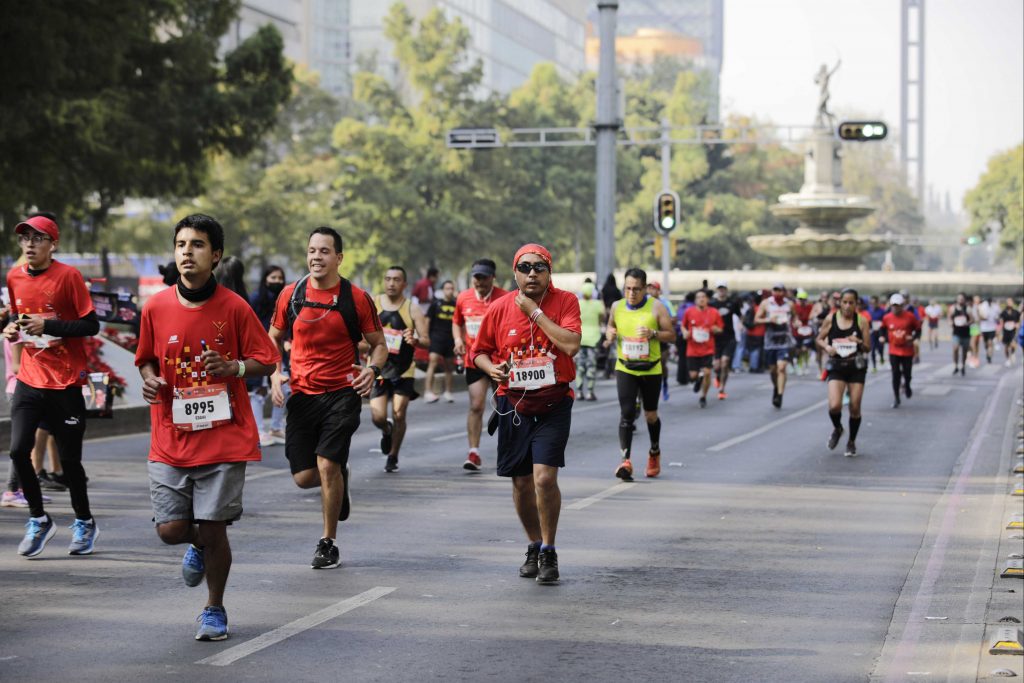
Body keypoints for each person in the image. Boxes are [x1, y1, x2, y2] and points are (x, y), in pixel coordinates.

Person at [136, 213, 279, 641]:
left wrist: (234, 366)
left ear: (215, 256)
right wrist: (148, 379)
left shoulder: (235, 307)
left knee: (215, 526)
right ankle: (198, 543)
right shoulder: (156, 306)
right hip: (170, 435)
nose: (187, 252)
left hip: (223, 436)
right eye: (181, 244)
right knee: (171, 530)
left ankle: (214, 609)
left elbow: (267, 357)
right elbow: (145, 356)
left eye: (197, 245)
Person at [269, 227, 387, 570]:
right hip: (303, 396)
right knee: (305, 478)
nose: (316, 257)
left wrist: (372, 370)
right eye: (311, 251)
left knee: (326, 464)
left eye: (324, 251)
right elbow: (271, 339)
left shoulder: (356, 298)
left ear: (338, 258)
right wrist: (277, 374)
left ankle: (328, 542)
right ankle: (340, 477)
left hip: (342, 393)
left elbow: (378, 344)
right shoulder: (291, 295)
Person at [472, 244, 580, 585]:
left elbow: (571, 344)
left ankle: (549, 549)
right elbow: (479, 353)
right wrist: (493, 369)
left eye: (539, 267)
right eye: (524, 267)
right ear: (515, 272)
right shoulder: (500, 308)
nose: (532, 273)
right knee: (520, 483)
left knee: (544, 479)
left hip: (553, 404)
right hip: (513, 406)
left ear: (550, 272)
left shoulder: (565, 302)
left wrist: (534, 312)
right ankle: (534, 543)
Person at [4, 214, 100, 558]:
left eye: (38, 238)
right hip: (30, 379)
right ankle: (38, 518)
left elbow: (91, 325)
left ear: (52, 244)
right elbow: (17, 318)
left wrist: (50, 325)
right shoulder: (14, 276)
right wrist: (13, 329)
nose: (29, 244)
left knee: (71, 462)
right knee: (17, 451)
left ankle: (85, 522)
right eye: (24, 238)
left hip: (66, 381)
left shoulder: (68, 277)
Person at [605, 268, 675, 481]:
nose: (631, 293)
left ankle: (654, 452)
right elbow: (610, 326)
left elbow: (671, 336)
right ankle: (625, 460)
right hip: (625, 367)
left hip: (651, 368)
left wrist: (653, 334)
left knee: (650, 415)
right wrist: (610, 334)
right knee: (626, 414)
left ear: (645, 289)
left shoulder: (657, 307)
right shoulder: (617, 306)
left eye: (636, 289)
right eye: (627, 288)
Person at [370, 266, 429, 473]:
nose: (391, 283)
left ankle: (393, 455)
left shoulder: (412, 308)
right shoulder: (373, 304)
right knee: (377, 417)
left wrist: (415, 340)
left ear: (404, 284)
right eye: (388, 279)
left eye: (396, 280)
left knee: (399, 412)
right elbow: (360, 339)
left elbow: (426, 341)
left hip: (404, 369)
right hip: (377, 368)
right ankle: (386, 430)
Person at [452, 259, 507, 471]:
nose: (480, 282)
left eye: (484, 278)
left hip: (499, 361)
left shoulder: (504, 298)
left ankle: (508, 448)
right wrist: (458, 340)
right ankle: (473, 452)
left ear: (493, 277)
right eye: (476, 277)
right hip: (474, 359)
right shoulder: (463, 298)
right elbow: (457, 322)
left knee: (504, 407)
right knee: (476, 405)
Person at [816, 288, 870, 457]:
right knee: (834, 406)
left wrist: (858, 341)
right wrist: (827, 347)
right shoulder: (831, 319)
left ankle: (851, 441)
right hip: (837, 366)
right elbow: (818, 338)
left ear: (856, 304)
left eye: (851, 302)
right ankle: (838, 428)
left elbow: (868, 347)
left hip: (855, 367)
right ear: (839, 303)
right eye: (844, 302)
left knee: (854, 407)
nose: (847, 306)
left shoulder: (861, 321)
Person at [248, 265, 287, 445]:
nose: (277, 281)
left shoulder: (285, 300)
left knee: (286, 387)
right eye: (273, 278)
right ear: (265, 279)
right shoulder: (256, 299)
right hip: (259, 352)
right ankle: (259, 431)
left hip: (279, 352)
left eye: (280, 278)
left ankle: (276, 427)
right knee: (259, 391)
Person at [755, 283, 795, 408]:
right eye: (775, 290)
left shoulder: (789, 304)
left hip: (785, 340)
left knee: (781, 367)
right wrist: (768, 320)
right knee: (773, 370)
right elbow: (756, 320)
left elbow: (795, 318)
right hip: (770, 341)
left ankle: (780, 395)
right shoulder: (766, 303)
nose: (777, 293)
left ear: (784, 292)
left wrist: (797, 323)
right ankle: (776, 387)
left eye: (780, 290)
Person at [681, 289, 723, 408]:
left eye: (703, 297)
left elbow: (720, 328)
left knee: (708, 372)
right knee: (693, 375)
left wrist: (716, 329)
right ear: (695, 300)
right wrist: (685, 332)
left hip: (708, 348)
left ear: (707, 299)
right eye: (699, 297)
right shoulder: (689, 312)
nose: (701, 299)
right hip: (692, 349)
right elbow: (683, 326)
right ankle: (697, 380)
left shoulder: (714, 312)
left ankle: (703, 396)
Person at [881, 293, 921, 409]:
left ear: (902, 305)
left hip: (907, 350)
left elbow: (918, 329)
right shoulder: (887, 317)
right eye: (893, 305)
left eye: (898, 305)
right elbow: (882, 329)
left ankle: (907, 385)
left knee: (907, 373)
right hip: (894, 350)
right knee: (895, 374)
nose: (895, 308)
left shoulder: (910, 316)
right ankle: (896, 397)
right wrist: (882, 337)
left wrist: (913, 338)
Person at [423, 280, 457, 404]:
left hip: (450, 339)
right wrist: (425, 336)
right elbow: (427, 320)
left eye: (451, 288)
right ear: (443, 290)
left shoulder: (456, 304)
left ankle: (448, 392)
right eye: (447, 288)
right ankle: (428, 391)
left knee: (449, 366)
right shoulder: (435, 304)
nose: (449, 291)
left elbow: (460, 323)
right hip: (436, 338)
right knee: (433, 363)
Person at [575, 280, 605, 401]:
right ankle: (590, 392)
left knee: (580, 366)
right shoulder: (597, 304)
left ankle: (579, 392)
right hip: (593, 339)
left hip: (580, 338)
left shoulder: (578, 303)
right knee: (591, 366)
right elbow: (602, 316)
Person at [646, 281, 675, 400]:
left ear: (659, 291)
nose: (651, 291)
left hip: (661, 336)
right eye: (649, 288)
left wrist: (662, 322)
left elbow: (674, 318)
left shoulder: (665, 303)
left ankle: (665, 383)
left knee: (662, 362)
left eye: (654, 289)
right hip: (647, 337)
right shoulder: (644, 303)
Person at [712, 283, 741, 396]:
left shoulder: (732, 303)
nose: (722, 291)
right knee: (717, 366)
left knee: (725, 363)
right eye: (720, 289)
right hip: (716, 338)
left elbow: (739, 315)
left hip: (729, 337)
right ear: (717, 290)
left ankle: (722, 388)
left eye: (723, 289)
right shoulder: (712, 303)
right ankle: (718, 377)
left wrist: (741, 325)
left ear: (726, 290)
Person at [948, 293, 973, 376]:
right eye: (959, 299)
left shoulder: (968, 308)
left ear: (964, 300)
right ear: (957, 299)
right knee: (955, 348)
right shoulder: (952, 308)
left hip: (965, 332)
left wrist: (967, 323)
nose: (961, 300)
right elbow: (949, 317)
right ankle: (956, 365)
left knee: (964, 350)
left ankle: (963, 366)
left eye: (962, 299)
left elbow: (972, 319)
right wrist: (951, 322)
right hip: (956, 332)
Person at [791, 289, 814, 377]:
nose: (801, 301)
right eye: (800, 299)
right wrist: (795, 322)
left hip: (807, 331)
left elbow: (812, 316)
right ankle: (798, 365)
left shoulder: (809, 307)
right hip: (797, 332)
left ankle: (805, 365)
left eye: (803, 299)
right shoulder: (794, 307)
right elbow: (792, 317)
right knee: (798, 350)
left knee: (805, 349)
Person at [867, 295, 887, 372]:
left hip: (880, 332)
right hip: (872, 332)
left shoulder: (882, 311)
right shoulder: (869, 311)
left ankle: (881, 356)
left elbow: (885, 322)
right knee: (872, 350)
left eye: (874, 303)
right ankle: (874, 366)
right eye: (871, 303)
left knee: (880, 348)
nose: (873, 304)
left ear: (877, 303)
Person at [978, 296, 1000, 364]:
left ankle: (989, 356)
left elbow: (998, 316)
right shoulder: (982, 306)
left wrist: (997, 320)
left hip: (992, 328)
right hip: (984, 328)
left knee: (990, 342)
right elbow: (980, 316)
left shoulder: (995, 306)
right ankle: (987, 352)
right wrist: (983, 317)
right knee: (986, 344)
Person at [999, 298, 1021, 366]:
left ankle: (1013, 353)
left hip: (1013, 330)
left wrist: (1017, 325)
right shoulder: (1003, 312)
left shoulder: (1016, 312)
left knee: (1013, 344)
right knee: (1006, 346)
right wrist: (1000, 332)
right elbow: (1001, 322)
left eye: (1010, 302)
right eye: (1008, 302)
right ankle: (1008, 359)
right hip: (1005, 330)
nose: (1009, 303)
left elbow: (1018, 321)